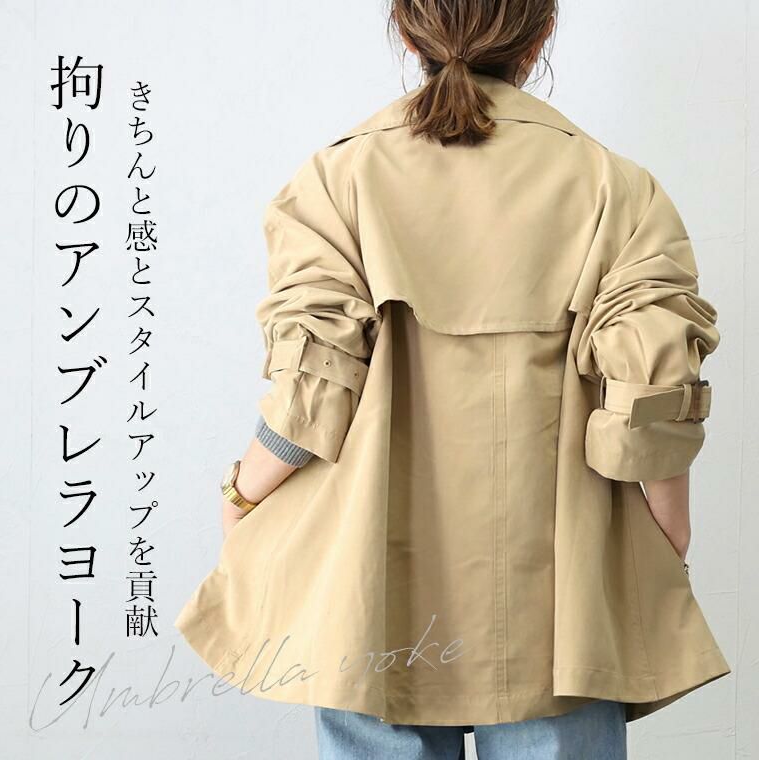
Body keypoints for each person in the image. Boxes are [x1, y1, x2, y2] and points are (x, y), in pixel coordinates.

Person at [174, 1, 731, 758]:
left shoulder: (338, 179)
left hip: (369, 593)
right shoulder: (618, 189)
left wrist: (244, 492)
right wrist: (668, 535)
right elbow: (651, 394)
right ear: (540, 32)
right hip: (562, 603)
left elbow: (311, 389)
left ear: (408, 31)